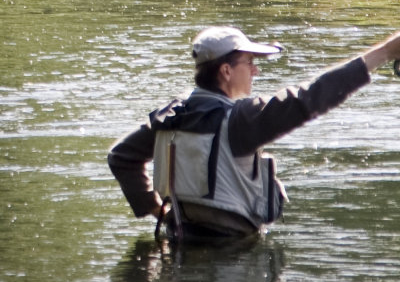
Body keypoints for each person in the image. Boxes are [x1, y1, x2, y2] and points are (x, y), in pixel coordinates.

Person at [108, 24, 400, 238]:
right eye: (249, 63)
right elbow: (310, 97)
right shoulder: (241, 120)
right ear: (225, 71)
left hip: (179, 239)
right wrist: (385, 53)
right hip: (232, 252)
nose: (256, 71)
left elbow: (120, 157)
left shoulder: (168, 117)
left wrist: (157, 210)